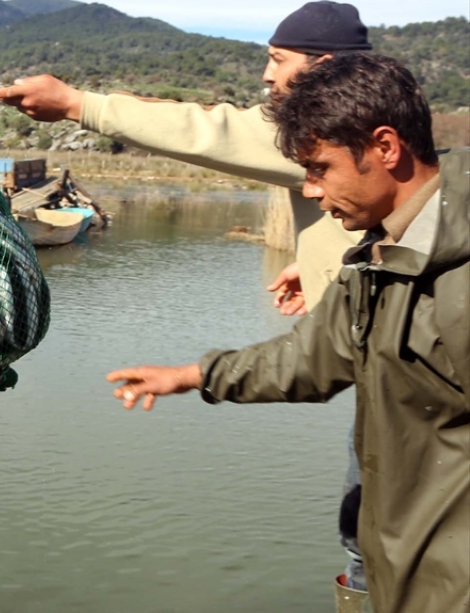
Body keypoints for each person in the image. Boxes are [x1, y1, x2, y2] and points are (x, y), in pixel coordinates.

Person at [0, 0, 375, 599]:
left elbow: (210, 130)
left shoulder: (333, 125)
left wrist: (77, 105)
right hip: (386, 389)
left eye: (277, 61)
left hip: (405, 403)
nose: (267, 78)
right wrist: (325, 257)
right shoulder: (373, 139)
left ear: (324, 65)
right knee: (369, 539)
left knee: (373, 545)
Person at [105, 54, 468, 613]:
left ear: (386, 148)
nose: (312, 191)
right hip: (406, 576)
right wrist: (192, 375)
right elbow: (311, 358)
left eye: (320, 168)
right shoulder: (379, 256)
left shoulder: (456, 275)